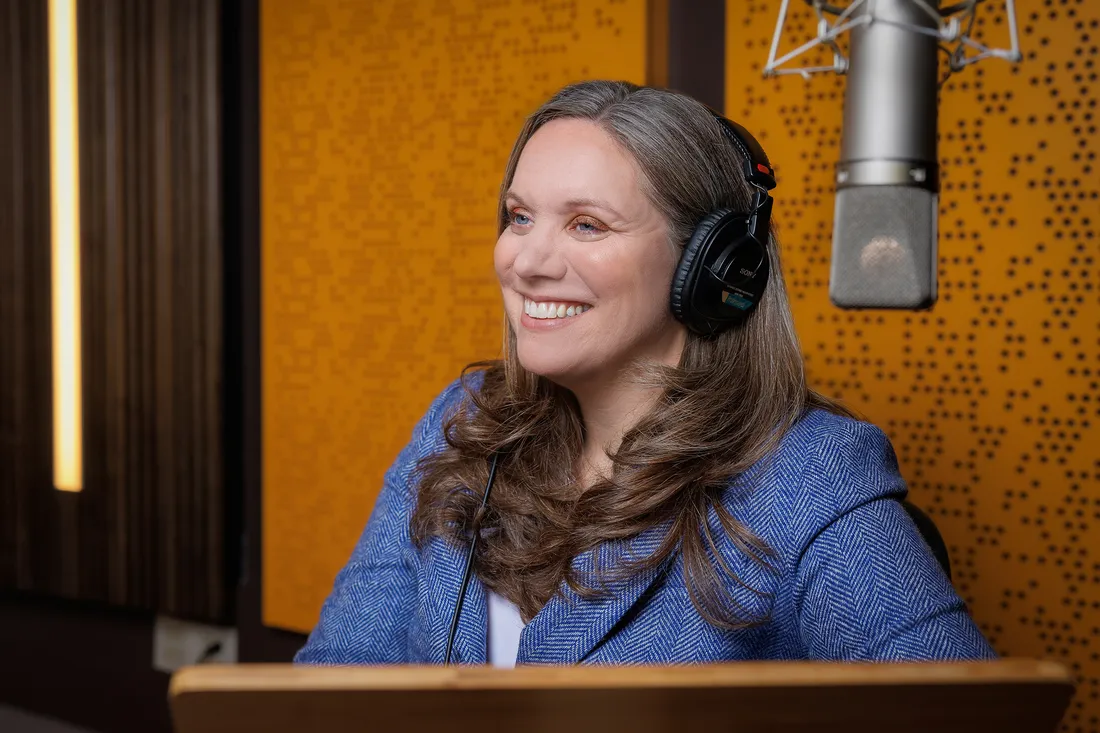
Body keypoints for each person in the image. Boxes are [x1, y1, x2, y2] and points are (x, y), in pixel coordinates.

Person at [294, 80, 995, 666]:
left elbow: (971, 716)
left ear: (712, 270)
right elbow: (335, 678)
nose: (527, 260)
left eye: (587, 225)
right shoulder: (466, 418)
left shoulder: (808, 476)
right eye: (519, 216)